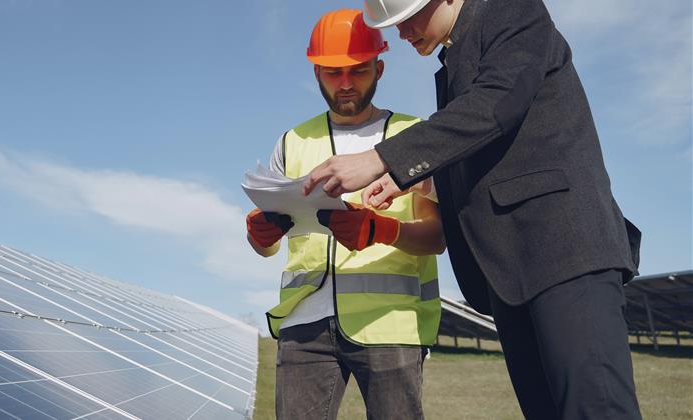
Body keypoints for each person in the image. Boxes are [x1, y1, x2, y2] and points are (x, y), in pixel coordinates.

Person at [299, 0, 643, 418]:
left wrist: (381, 159)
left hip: (565, 253)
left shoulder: (514, 10)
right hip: (512, 273)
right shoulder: (455, 59)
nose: (402, 34)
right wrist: (417, 179)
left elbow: (495, 104)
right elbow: (492, 158)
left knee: (596, 410)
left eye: (406, 19)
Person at [245, 9, 446, 420]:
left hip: (391, 324)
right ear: (316, 72)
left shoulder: (414, 135)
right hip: (305, 324)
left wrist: (382, 230)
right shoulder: (293, 141)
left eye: (358, 71)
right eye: (333, 73)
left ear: (380, 67)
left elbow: (437, 237)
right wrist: (259, 236)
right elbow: (269, 247)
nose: (345, 84)